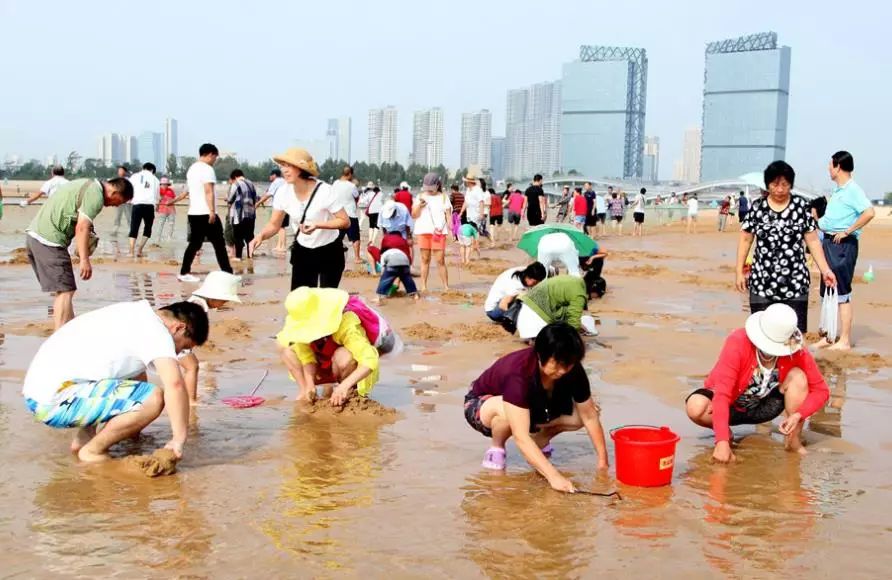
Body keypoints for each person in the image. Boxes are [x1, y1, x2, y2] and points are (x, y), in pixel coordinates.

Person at [22, 300, 209, 462]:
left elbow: (135, 379)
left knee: (130, 387)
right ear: (179, 327)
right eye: (182, 348)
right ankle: (92, 452)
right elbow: (175, 385)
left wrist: (134, 432)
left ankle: (83, 442)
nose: (177, 354)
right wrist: (179, 439)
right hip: (52, 402)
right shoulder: (157, 332)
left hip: (42, 392)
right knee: (154, 397)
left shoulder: (136, 314)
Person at [462, 322, 609, 491]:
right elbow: (521, 436)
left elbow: (589, 416)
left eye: (568, 364)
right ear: (541, 354)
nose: (562, 371)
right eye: (558, 364)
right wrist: (554, 477)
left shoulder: (572, 368)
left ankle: (541, 439)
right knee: (506, 412)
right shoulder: (518, 372)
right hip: (482, 405)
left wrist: (602, 463)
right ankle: (497, 448)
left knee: (583, 414)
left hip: (532, 406)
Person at [685, 304, 830, 463]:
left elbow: (821, 391)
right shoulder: (738, 341)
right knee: (695, 406)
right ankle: (725, 432)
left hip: (766, 406)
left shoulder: (797, 350)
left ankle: (793, 442)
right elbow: (722, 394)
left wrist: (798, 415)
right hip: (732, 404)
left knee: (799, 377)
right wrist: (722, 442)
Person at [737, 161, 836, 333]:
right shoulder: (757, 209)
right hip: (762, 283)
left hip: (795, 284)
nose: (780, 189)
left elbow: (813, 241)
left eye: (785, 184)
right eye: (775, 184)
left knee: (794, 336)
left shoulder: (801, 208)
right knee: (762, 334)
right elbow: (746, 240)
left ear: (791, 184)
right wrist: (739, 271)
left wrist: (825, 270)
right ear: (767, 185)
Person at [25, 177, 133, 329]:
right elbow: (82, 227)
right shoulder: (96, 195)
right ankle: (59, 339)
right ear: (115, 192)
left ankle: (70, 331)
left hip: (35, 237)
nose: (116, 206)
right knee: (66, 291)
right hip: (49, 241)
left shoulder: (87, 184)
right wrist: (84, 260)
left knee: (65, 290)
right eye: (120, 201)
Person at [250, 148, 349, 290]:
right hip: (302, 251)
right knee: (300, 302)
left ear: (302, 169)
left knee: (326, 303)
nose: (285, 170)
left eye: (289, 165)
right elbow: (274, 224)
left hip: (329, 250)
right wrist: (260, 236)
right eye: (283, 165)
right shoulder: (283, 193)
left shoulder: (325, 191)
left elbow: (344, 221)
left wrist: (318, 225)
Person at [276, 287, 394, 406]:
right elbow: (306, 357)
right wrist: (310, 383)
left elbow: (369, 361)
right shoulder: (300, 328)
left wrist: (344, 386)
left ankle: (350, 392)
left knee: (345, 356)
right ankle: (305, 391)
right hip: (324, 361)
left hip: (344, 365)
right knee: (286, 349)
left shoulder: (345, 321)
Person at [815, 151, 876, 350]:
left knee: (841, 292)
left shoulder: (852, 190)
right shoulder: (839, 191)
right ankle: (829, 336)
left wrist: (848, 231)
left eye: (830, 165)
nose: (828, 169)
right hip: (828, 242)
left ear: (838, 166)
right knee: (827, 291)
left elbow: (869, 212)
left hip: (842, 245)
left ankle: (845, 340)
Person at [179, 272, 241, 405]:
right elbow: (188, 326)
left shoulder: (200, 301)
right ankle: (190, 401)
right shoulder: (198, 304)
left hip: (180, 339)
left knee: (189, 367)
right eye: (224, 300)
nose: (224, 303)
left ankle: (185, 394)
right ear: (214, 296)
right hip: (179, 340)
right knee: (192, 367)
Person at [175, 143, 233, 282]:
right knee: (219, 244)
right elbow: (209, 191)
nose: (215, 161)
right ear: (210, 154)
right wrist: (212, 211)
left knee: (195, 244)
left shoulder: (192, 169)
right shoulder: (207, 169)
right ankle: (227, 274)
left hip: (194, 212)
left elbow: (188, 191)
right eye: (215, 158)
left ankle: (184, 272)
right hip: (206, 213)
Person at [516, 274, 592, 340]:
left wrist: (579, 325)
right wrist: (576, 337)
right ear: (594, 291)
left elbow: (571, 315)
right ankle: (535, 339)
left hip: (524, 310)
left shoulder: (575, 281)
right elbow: (573, 320)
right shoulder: (579, 295)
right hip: (535, 322)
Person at [412, 172, 452, 293]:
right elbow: (414, 215)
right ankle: (423, 286)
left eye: (431, 188)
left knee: (440, 259)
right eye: (427, 188)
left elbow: (448, 216)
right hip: (423, 231)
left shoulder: (444, 197)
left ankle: (446, 286)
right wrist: (419, 206)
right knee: (425, 259)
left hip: (439, 232)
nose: (429, 191)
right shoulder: (420, 196)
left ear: (437, 185)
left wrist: (452, 231)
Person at [369, 229, 418, 304]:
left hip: (392, 263)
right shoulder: (403, 240)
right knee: (407, 280)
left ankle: (379, 298)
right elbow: (408, 255)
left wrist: (383, 272)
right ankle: (415, 295)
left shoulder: (386, 241)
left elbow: (382, 259)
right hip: (404, 261)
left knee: (385, 281)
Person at [128, 162, 160, 257]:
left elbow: (129, 188)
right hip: (149, 205)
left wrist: (129, 199)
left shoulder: (135, 176)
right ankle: (140, 250)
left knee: (134, 227)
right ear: (152, 170)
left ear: (143, 168)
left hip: (137, 204)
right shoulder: (156, 180)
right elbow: (157, 196)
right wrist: (157, 205)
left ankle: (131, 251)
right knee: (148, 228)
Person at [332, 165, 361, 264]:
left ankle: (334, 257)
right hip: (350, 214)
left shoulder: (335, 183)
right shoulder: (352, 186)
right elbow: (357, 197)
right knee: (355, 237)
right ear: (350, 174)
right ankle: (357, 258)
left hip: (338, 214)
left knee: (337, 237)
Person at [227, 169, 258, 261]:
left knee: (238, 237)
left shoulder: (236, 184)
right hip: (251, 215)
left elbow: (230, 199)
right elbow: (255, 198)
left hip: (240, 215)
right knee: (249, 237)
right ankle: (250, 256)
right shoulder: (251, 184)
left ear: (235, 177)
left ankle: (238, 257)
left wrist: (228, 201)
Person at [257, 168, 289, 254]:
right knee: (282, 227)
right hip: (286, 206)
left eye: (270, 175)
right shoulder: (285, 181)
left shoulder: (276, 182)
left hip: (279, 207)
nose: (269, 177)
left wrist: (258, 203)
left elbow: (268, 194)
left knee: (280, 227)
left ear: (274, 175)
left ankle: (282, 246)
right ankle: (280, 245)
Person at [154, 176, 177, 243]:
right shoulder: (158, 191)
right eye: (163, 184)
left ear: (168, 184)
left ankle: (169, 238)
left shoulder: (171, 191)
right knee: (160, 224)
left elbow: (174, 199)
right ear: (160, 184)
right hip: (162, 211)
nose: (164, 185)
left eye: (165, 184)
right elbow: (157, 201)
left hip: (171, 210)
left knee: (171, 225)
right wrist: (156, 207)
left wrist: (171, 201)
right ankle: (158, 238)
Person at [112, 165, 132, 234]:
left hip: (127, 202)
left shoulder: (129, 180)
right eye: (119, 171)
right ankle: (115, 230)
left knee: (129, 216)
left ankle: (131, 230)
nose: (120, 172)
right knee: (117, 216)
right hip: (119, 201)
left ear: (125, 172)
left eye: (121, 170)